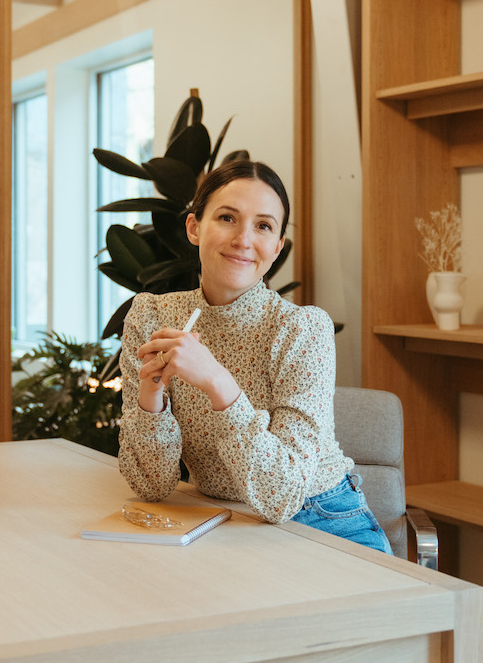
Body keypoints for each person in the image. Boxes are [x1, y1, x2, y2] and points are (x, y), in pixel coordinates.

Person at [116, 159, 393, 555]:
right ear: (194, 228)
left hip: (320, 519)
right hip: (220, 519)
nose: (244, 239)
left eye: (263, 226)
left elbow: (283, 497)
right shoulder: (152, 316)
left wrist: (218, 383)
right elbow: (151, 486)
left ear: (277, 247)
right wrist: (150, 396)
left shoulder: (302, 329)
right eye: (227, 218)